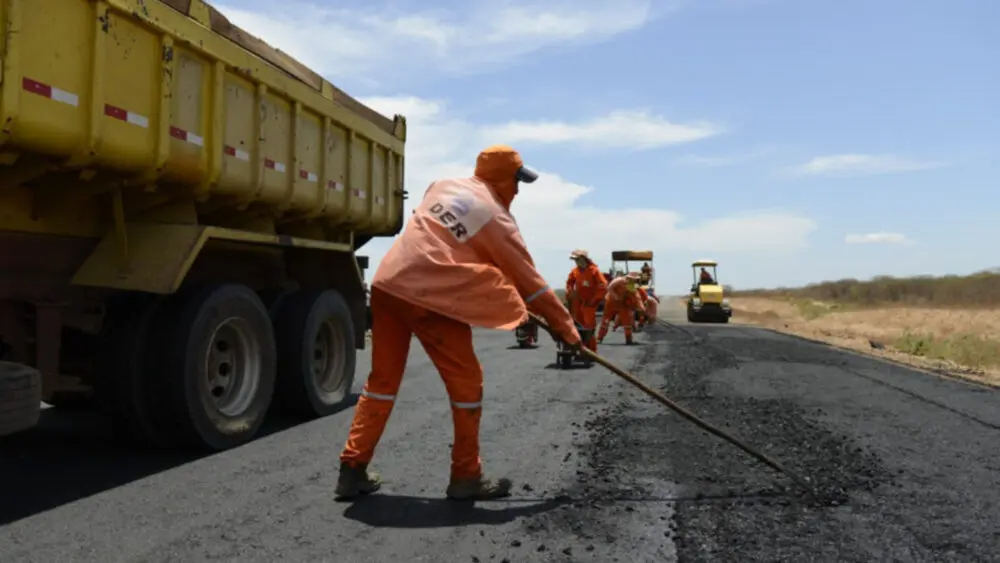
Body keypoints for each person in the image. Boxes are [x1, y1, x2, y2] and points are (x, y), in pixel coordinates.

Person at [335, 145, 582, 502]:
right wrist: (568, 331)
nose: (518, 189)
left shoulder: (442, 184)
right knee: (467, 385)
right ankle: (466, 476)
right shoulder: (498, 219)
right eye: (517, 181)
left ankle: (351, 470)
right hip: (430, 295)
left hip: (389, 283)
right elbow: (533, 284)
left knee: (382, 382)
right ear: (504, 178)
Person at [565, 249, 608, 352]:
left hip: (589, 304)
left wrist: (594, 300)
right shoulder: (575, 271)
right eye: (575, 260)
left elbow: (603, 286)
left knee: (588, 327)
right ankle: (579, 348)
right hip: (577, 304)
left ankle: (591, 351)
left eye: (578, 259)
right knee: (577, 325)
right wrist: (570, 292)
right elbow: (569, 282)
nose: (576, 262)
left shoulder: (594, 271)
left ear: (584, 259)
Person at [598, 272, 646, 345]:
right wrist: (616, 296)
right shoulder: (619, 280)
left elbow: (637, 298)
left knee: (627, 321)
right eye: (631, 279)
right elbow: (609, 287)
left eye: (634, 280)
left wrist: (641, 308)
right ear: (628, 278)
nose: (632, 281)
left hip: (623, 305)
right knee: (606, 320)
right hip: (611, 303)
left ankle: (628, 339)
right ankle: (599, 338)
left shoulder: (633, 288)